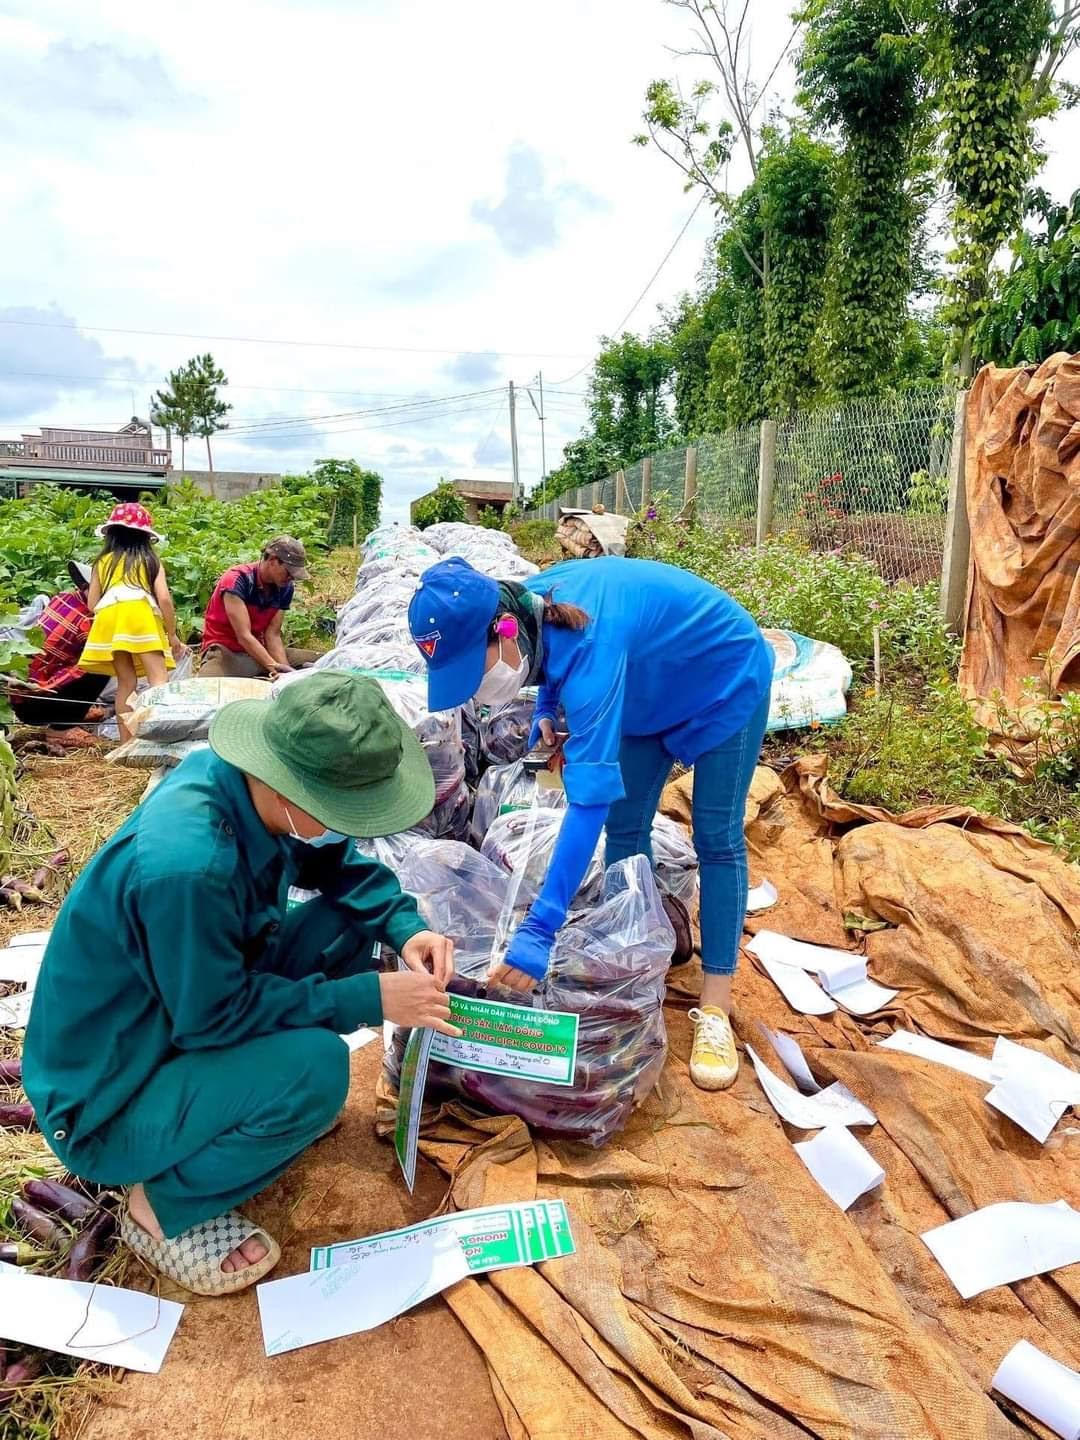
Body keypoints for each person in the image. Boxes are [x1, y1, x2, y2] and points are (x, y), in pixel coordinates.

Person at [23, 672, 458, 1297]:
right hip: (109, 1097)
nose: (351, 826)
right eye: (346, 811)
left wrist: (404, 925)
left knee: (343, 923)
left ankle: (250, 1102)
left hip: (178, 1011)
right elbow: (209, 1017)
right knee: (318, 1067)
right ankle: (158, 1208)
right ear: (293, 788)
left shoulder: (245, 789)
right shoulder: (189, 868)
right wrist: (370, 997)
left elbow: (335, 865)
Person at [409, 555, 773, 1093]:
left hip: (721, 681)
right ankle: (638, 953)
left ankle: (716, 1004)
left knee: (716, 837)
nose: (477, 686)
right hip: (646, 691)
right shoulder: (530, 607)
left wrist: (539, 930)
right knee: (628, 829)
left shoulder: (595, 649)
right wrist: (546, 712)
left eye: (474, 667)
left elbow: (586, 805)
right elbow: (556, 662)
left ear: (505, 631)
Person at [79, 502, 186, 740]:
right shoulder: (151, 561)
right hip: (140, 616)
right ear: (146, 537)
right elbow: (165, 600)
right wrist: (172, 634)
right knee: (159, 679)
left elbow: (91, 604)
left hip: (110, 619)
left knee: (126, 682)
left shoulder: (102, 562)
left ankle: (126, 743)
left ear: (112, 534)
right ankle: (159, 738)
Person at [8, 562, 109, 747]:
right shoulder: (87, 621)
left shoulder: (64, 598)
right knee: (102, 665)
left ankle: (71, 712)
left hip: (19, 694)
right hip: (35, 703)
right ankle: (61, 729)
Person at [200, 537, 317, 680]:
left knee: (324, 661)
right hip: (226, 652)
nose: (290, 578)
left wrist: (287, 675)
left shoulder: (285, 588)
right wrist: (273, 666)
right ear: (273, 560)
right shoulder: (236, 581)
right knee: (209, 687)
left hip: (258, 652)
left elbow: (272, 635)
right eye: (288, 572)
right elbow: (244, 636)